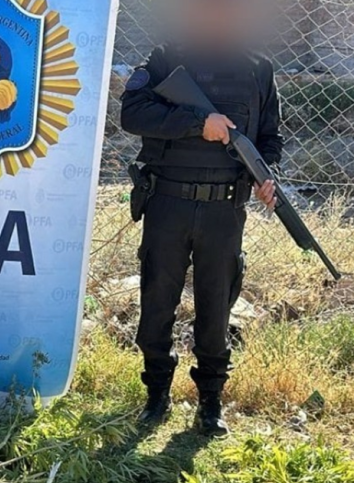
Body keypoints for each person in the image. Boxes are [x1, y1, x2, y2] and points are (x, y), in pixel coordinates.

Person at [120, 0, 282, 436]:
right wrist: (198, 122)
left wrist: (267, 176)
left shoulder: (258, 69)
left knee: (216, 308)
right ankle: (156, 395)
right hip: (167, 204)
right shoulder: (165, 60)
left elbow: (270, 138)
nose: (215, 19)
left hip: (223, 211)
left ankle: (211, 401)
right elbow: (132, 114)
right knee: (157, 303)